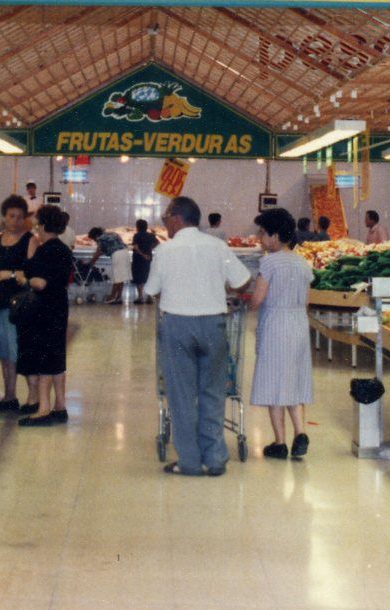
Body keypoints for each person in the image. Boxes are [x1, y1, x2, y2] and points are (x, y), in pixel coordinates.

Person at [147, 196, 252, 476]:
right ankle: (216, 458)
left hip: (177, 326)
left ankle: (190, 462)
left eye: (166, 218)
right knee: (213, 392)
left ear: (177, 218)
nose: (164, 223)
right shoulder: (218, 247)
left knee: (181, 395)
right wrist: (220, 290)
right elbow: (243, 281)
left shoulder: (165, 251)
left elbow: (152, 290)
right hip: (213, 326)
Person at [249, 208, 313, 461]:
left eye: (263, 233)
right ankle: (300, 431)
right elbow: (307, 301)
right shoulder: (302, 262)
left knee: (274, 380)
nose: (259, 238)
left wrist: (245, 303)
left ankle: (280, 441)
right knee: (293, 378)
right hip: (298, 322)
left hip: (276, 322)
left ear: (275, 235)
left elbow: (257, 299)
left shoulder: (269, 262)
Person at [16, 204, 75, 427]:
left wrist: (28, 279)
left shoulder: (46, 249)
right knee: (57, 357)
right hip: (59, 306)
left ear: (43, 225)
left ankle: (43, 409)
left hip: (44, 308)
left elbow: (37, 280)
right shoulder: (62, 248)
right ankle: (60, 406)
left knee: (44, 359)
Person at [0, 195, 33, 413]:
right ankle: (10, 396)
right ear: (4, 217)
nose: (15, 220)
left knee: (20, 352)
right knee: (4, 353)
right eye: (12, 216)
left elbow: (33, 272)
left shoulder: (30, 240)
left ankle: (33, 399)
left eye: (20, 217)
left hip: (20, 305)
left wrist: (12, 274)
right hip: (0, 302)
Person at [86, 227, 125, 303]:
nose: (95, 241)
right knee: (121, 277)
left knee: (116, 278)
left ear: (95, 236)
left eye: (93, 239)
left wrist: (91, 263)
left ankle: (112, 297)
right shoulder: (112, 234)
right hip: (125, 253)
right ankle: (118, 297)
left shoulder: (101, 239)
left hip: (117, 256)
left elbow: (98, 253)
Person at [130, 218, 158, 292]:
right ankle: (149, 296)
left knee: (139, 278)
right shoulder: (151, 235)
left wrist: (142, 254)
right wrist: (150, 249)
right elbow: (157, 243)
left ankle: (140, 297)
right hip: (148, 258)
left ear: (137, 226)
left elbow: (136, 247)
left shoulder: (137, 235)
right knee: (148, 276)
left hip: (138, 259)